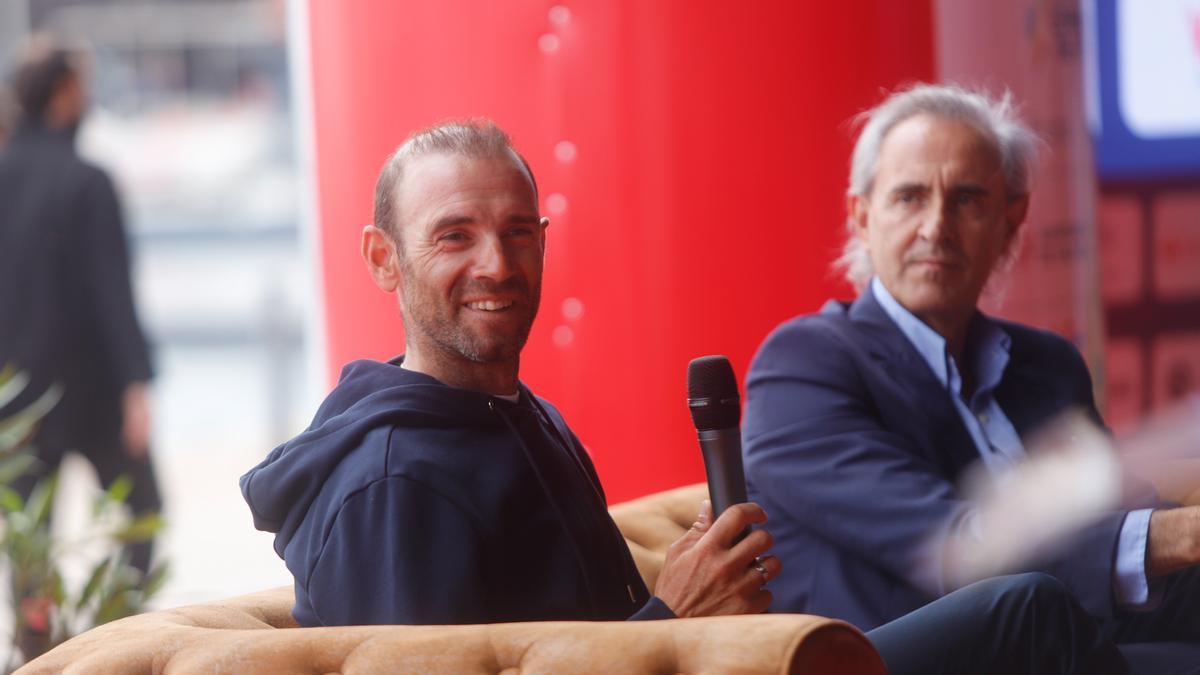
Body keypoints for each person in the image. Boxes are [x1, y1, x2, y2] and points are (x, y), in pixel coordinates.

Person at [242, 119, 1126, 675]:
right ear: (382, 259)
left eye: (519, 232)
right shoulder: (393, 480)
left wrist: (691, 607)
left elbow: (581, 636)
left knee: (1028, 611)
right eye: (454, 237)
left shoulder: (516, 413)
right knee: (1026, 611)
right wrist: (675, 615)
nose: (498, 265)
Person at [742, 83, 1200, 673]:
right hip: (909, 657)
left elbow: (1117, 511)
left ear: (1012, 220)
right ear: (861, 215)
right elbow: (958, 547)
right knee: (1032, 600)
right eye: (909, 197)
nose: (937, 226)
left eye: (967, 199)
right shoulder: (803, 367)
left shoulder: (1049, 365)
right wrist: (1184, 533)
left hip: (1070, 644)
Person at [0, 37, 159, 574]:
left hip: (15, 397)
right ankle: (118, 637)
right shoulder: (88, 182)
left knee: (28, 537)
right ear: (64, 94)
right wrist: (136, 384)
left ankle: (38, 649)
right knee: (143, 511)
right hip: (94, 389)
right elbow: (112, 291)